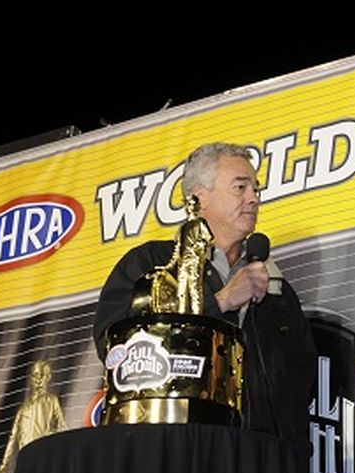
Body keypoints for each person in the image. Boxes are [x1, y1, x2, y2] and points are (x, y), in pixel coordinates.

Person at [93, 142, 317, 443]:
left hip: (261, 457)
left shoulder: (276, 288)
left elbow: (303, 376)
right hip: (178, 448)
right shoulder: (151, 264)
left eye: (256, 190)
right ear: (199, 198)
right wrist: (219, 302)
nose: (253, 199)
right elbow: (115, 347)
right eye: (240, 187)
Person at [0, 360, 67, 473]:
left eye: (42, 375)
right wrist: (3, 468)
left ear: (48, 377)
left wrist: (50, 435)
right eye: (35, 375)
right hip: (25, 462)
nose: (38, 379)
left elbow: (62, 426)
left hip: (43, 458)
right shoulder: (22, 409)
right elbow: (12, 438)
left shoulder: (51, 400)